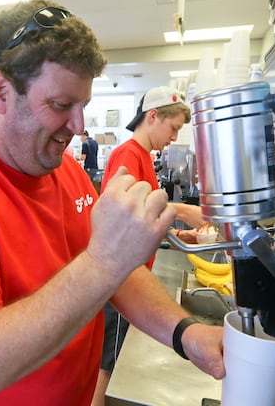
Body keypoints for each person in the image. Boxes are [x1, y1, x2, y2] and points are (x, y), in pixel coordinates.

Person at [0, 0, 275, 405]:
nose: (78, 128)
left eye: (82, 106)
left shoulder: (65, 171)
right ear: (2, 92)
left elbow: (118, 273)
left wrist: (186, 334)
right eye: (61, 105)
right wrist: (103, 262)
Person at [93, 86, 208, 404]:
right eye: (173, 128)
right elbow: (121, 220)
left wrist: (174, 234)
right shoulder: (128, 154)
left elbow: (143, 222)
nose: (174, 138)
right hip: (122, 281)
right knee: (106, 368)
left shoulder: (142, 156)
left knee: (110, 364)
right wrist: (184, 211)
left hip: (134, 276)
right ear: (153, 116)